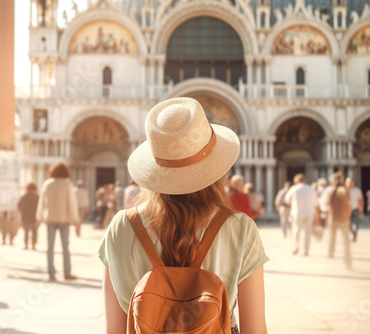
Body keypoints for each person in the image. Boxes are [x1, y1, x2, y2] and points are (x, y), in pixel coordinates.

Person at [98, 97, 269, 333]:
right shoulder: (240, 228)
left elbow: (114, 330)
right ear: (214, 165)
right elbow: (255, 329)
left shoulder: (121, 227)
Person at [36, 162, 79, 281]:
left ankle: (51, 273)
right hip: (64, 219)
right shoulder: (67, 184)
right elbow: (71, 203)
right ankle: (67, 273)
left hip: (50, 218)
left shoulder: (47, 184)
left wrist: (39, 218)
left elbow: (42, 203)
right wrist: (76, 220)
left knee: (50, 247)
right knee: (65, 247)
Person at [284, 173, 320, 256]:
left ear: (296, 180)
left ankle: (296, 247)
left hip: (297, 212)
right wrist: (317, 217)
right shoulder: (310, 189)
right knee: (307, 232)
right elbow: (316, 204)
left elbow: (287, 201)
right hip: (309, 212)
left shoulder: (293, 189)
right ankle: (306, 250)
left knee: (296, 231)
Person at [323, 172, 352, 269]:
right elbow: (349, 205)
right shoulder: (344, 190)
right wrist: (348, 216)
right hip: (343, 218)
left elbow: (326, 204)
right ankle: (347, 261)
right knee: (345, 241)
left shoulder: (329, 190)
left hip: (333, 217)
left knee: (332, 237)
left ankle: (330, 253)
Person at [17, 183, 39, 250]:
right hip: (35, 217)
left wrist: (22, 213)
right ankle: (33, 245)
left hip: (25, 216)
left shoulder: (23, 197)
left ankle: (26, 245)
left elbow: (19, 206)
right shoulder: (37, 197)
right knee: (34, 231)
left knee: (26, 231)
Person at [346, 177, 364, 242]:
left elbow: (361, 200)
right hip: (346, 211)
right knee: (348, 224)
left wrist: (361, 209)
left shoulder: (357, 190)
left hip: (355, 209)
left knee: (355, 224)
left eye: (350, 182)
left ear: (353, 183)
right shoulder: (344, 190)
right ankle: (353, 233)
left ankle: (355, 234)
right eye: (348, 182)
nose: (349, 184)